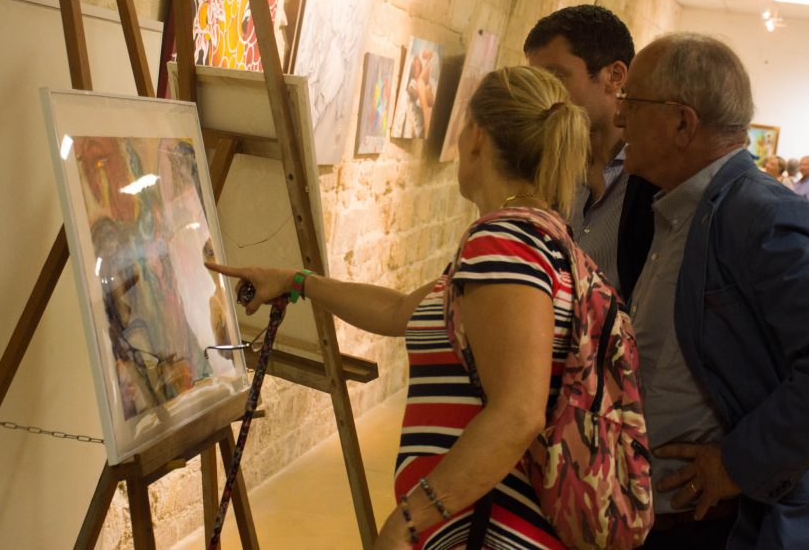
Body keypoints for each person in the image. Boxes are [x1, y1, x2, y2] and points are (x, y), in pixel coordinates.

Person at [210, 67, 602, 549]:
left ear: (478, 137)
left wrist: (409, 520)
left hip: (491, 530)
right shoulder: (529, 237)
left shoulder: (503, 245)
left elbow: (519, 413)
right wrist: (296, 281)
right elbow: (398, 312)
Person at [613, 32, 809, 548]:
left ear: (682, 123)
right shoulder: (683, 208)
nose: (618, 118)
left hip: (716, 528)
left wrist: (738, 464)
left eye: (631, 102)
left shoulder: (759, 214)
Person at [523, 5, 657, 301]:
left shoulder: (655, 176)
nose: (544, 98)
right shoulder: (543, 164)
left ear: (615, 76)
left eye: (556, 78)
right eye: (537, 83)